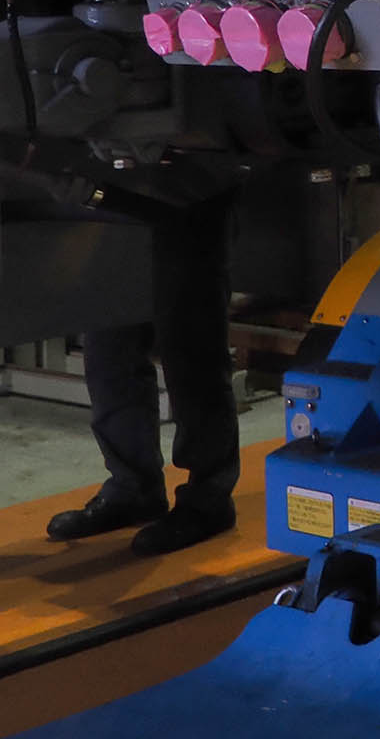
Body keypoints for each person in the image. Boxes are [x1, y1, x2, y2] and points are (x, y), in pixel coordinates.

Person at [45, 185, 241, 555]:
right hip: (109, 194)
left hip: (187, 188)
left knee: (191, 350)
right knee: (108, 348)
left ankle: (208, 498)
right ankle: (133, 488)